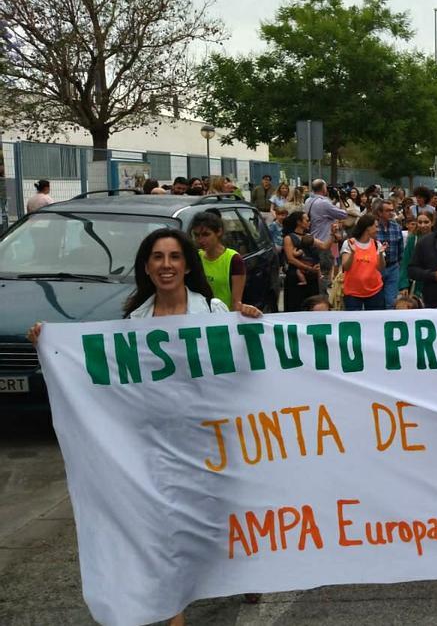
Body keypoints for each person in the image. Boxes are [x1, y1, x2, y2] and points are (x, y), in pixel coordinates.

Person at [27, 228, 262, 626]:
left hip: (209, 437)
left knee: (216, 515)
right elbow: (102, 374)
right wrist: (48, 344)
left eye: (174, 257)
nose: (166, 265)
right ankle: (174, 608)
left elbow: (246, 370)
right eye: (157, 257)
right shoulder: (133, 321)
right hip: (155, 441)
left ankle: (241, 571)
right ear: (147, 267)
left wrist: (254, 324)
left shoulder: (214, 313)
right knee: (164, 521)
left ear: (188, 265)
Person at [188, 210, 246, 311]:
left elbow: (236, 302)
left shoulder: (234, 259)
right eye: (197, 235)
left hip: (223, 318)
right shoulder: (195, 257)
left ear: (219, 232)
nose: (201, 240)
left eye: (206, 234)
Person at [304, 179, 348, 285]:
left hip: (313, 240)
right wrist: (340, 198)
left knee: (316, 271)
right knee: (324, 273)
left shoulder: (308, 200)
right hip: (324, 242)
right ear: (323, 188)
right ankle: (323, 296)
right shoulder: (323, 203)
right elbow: (343, 214)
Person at [339, 214, 387, 310]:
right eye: (375, 226)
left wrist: (381, 254)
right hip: (353, 292)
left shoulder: (377, 244)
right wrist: (353, 253)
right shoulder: (349, 243)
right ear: (367, 228)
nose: (377, 229)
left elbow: (380, 267)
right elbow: (346, 267)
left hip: (375, 291)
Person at [281, 212, 323, 311]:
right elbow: (291, 259)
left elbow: (324, 245)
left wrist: (332, 235)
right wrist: (309, 268)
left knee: (312, 307)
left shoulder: (309, 236)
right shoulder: (289, 238)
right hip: (296, 277)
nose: (309, 222)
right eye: (307, 220)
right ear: (299, 222)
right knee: (295, 307)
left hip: (311, 277)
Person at [372, 200, 405, 307]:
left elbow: (401, 250)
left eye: (392, 210)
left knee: (391, 301)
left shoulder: (396, 227)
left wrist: (400, 267)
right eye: (387, 211)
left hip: (393, 267)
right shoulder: (373, 228)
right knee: (377, 301)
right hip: (376, 268)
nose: (391, 213)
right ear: (379, 213)